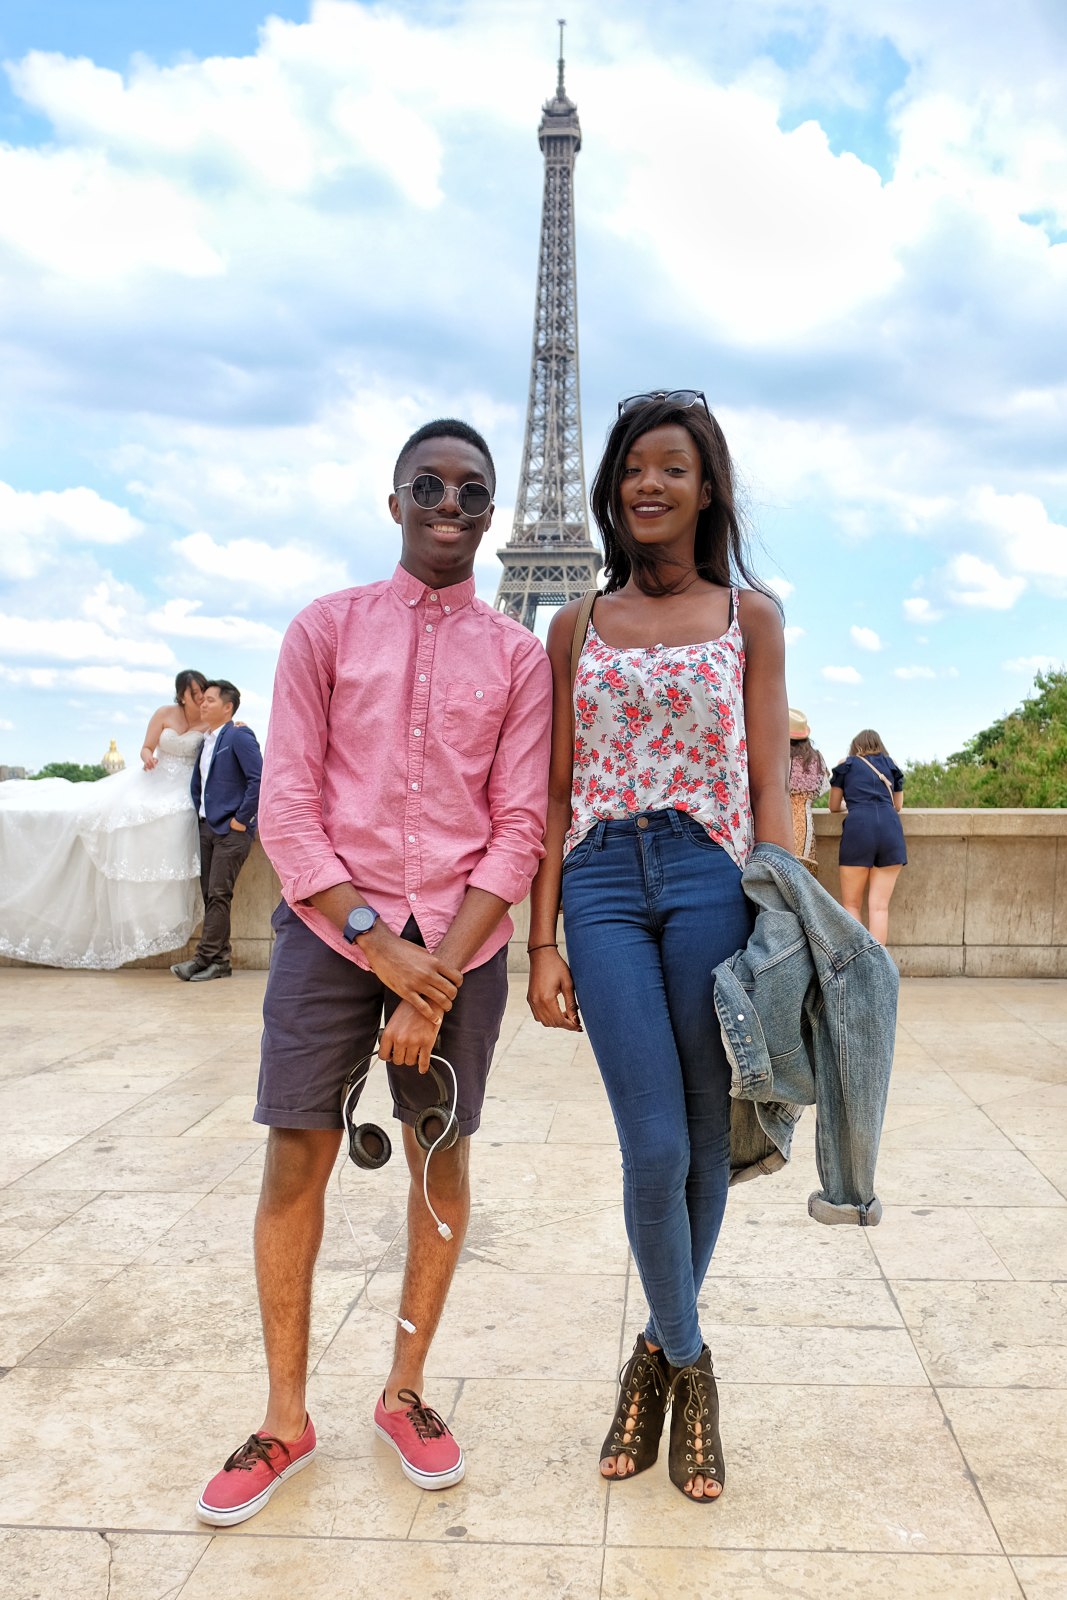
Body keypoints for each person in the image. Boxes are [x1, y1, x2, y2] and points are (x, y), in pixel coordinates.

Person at [195, 418, 552, 1527]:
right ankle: (284, 1413)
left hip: (460, 939)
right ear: (392, 500)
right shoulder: (323, 630)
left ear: (495, 516)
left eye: (470, 491)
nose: (449, 506)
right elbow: (291, 805)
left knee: (437, 1157)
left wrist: (430, 971)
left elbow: (520, 825)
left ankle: (404, 1389)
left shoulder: (519, 656)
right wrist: (377, 944)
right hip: (334, 926)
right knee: (295, 1153)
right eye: (428, 486)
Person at [526, 389, 792, 1504]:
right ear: (611, 487)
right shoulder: (571, 625)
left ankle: (650, 1359)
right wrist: (538, 940)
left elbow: (770, 777)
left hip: (707, 877)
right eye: (633, 466)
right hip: (597, 882)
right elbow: (549, 792)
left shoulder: (751, 615)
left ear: (706, 488)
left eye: (671, 467)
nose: (648, 484)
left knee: (698, 1139)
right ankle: (690, 1362)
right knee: (648, 1145)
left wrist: (780, 913)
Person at [0, 669, 208, 968]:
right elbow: (147, 746)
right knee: (120, 813)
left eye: (202, 691)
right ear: (181, 695)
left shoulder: (208, 720)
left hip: (181, 785)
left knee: (172, 815)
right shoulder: (164, 713)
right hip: (153, 777)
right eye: (194, 692)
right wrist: (148, 756)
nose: (200, 697)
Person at [171, 679, 262, 983]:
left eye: (210, 699)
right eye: (203, 699)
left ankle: (201, 959)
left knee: (219, 894)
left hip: (231, 831)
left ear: (228, 707)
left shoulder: (238, 735)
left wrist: (241, 819)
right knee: (211, 896)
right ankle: (220, 961)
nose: (203, 704)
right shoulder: (207, 739)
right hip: (207, 826)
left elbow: (258, 780)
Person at [829, 728, 906, 945]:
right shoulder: (891, 765)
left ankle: (858, 965)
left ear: (855, 746)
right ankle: (878, 969)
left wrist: (853, 803)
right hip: (890, 830)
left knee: (852, 905)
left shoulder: (847, 764)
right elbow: (897, 805)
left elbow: (834, 806)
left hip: (859, 829)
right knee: (879, 907)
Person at [788, 706, 829, 868]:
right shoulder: (816, 759)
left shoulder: (777, 757)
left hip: (776, 818)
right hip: (806, 824)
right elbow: (823, 788)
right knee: (803, 872)